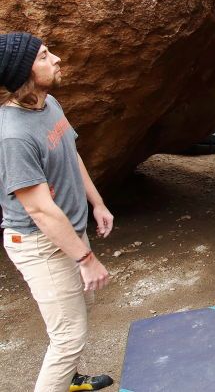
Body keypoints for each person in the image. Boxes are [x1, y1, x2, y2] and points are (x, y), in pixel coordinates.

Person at [0, 32, 114, 392]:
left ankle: (71, 380)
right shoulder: (13, 135)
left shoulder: (49, 105)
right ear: (25, 73)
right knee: (68, 337)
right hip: (39, 244)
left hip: (67, 232)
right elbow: (39, 209)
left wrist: (96, 202)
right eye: (45, 56)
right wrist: (85, 259)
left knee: (78, 312)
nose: (57, 59)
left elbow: (70, 154)